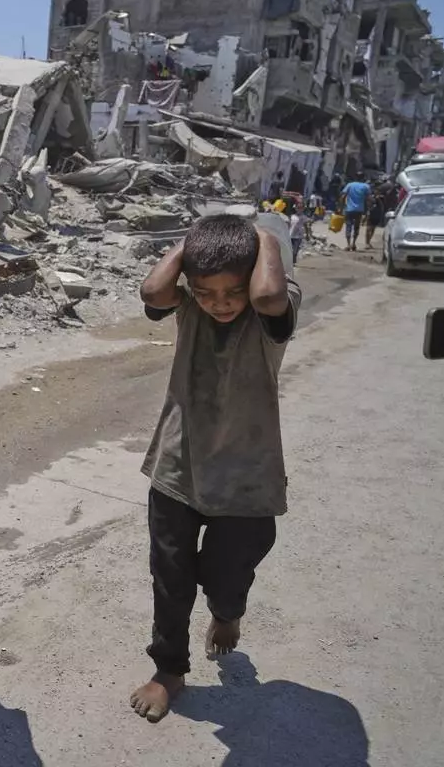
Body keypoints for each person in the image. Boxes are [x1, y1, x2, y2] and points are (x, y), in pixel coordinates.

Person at [130, 215, 301, 724]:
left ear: (254, 275)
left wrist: (264, 237)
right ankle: (169, 671)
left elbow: (268, 299)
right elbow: (153, 289)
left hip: (247, 478)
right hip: (177, 466)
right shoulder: (189, 307)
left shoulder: (273, 311)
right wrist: (188, 246)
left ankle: (227, 611)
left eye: (232, 291)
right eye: (206, 292)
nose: (219, 303)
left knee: (226, 574)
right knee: (170, 576)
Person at [340, 176, 371, 251]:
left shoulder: (350, 185)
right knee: (356, 227)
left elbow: (343, 196)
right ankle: (353, 244)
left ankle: (348, 244)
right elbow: (368, 199)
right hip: (359, 210)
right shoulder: (366, 186)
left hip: (349, 209)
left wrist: (341, 207)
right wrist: (368, 210)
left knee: (348, 226)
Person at [364, 180, 389, 250]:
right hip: (371, 213)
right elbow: (368, 203)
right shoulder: (371, 195)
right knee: (368, 229)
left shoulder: (382, 197)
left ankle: (368, 242)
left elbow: (382, 206)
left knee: (372, 229)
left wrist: (379, 199)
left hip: (377, 214)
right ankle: (367, 243)